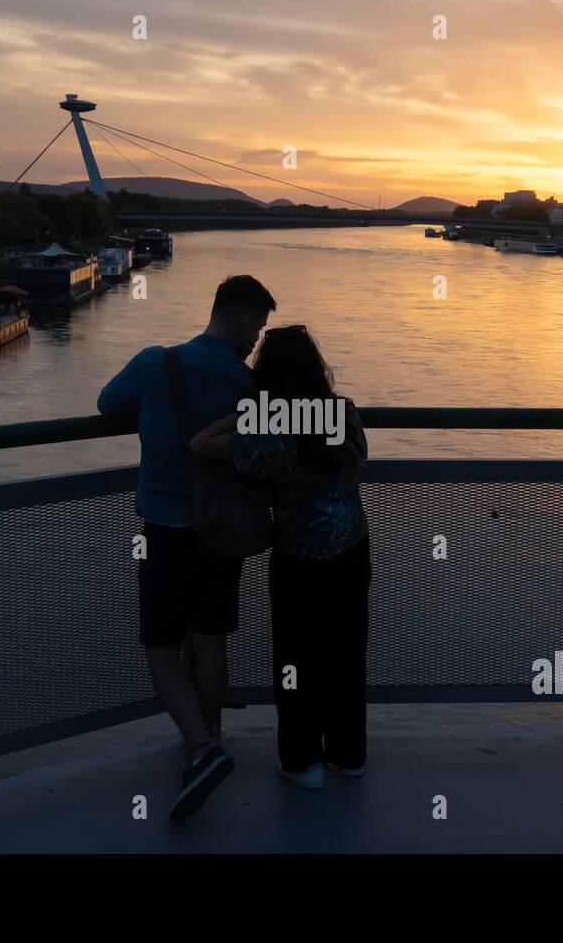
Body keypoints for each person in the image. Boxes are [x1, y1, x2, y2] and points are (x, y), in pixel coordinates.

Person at [97, 274, 276, 822]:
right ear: (244, 320)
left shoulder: (156, 365)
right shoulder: (251, 388)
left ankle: (200, 748)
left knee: (159, 647)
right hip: (222, 531)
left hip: (165, 530)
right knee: (209, 639)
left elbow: (107, 405)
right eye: (258, 328)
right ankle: (210, 735)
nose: (256, 340)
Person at [190, 325, 370, 790]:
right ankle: (349, 754)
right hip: (352, 552)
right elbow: (360, 458)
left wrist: (243, 412)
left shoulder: (270, 432)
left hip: (298, 563)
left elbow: (200, 444)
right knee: (346, 653)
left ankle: (301, 760)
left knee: (297, 660)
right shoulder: (342, 413)